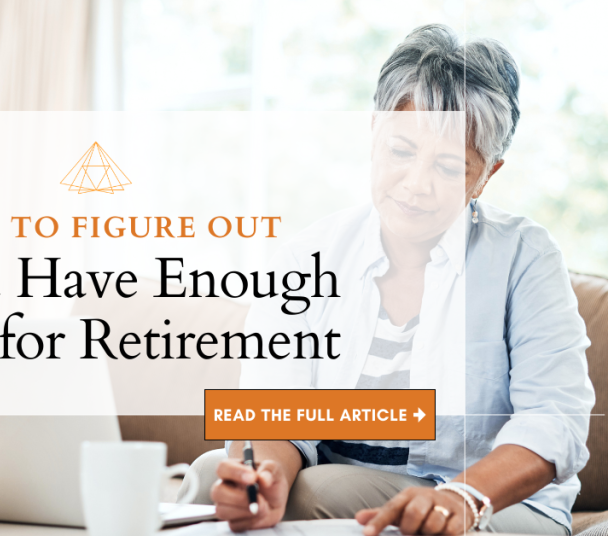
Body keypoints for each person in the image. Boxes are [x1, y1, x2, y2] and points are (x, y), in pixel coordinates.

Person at [196, 24, 594, 535]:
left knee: (321, 493)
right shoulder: (307, 256)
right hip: (343, 484)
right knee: (214, 475)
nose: (416, 184)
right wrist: (263, 476)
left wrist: (464, 495)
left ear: (487, 174)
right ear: (374, 131)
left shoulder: (524, 257)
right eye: (401, 152)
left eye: (449, 166)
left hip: (492, 502)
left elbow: (556, 419)